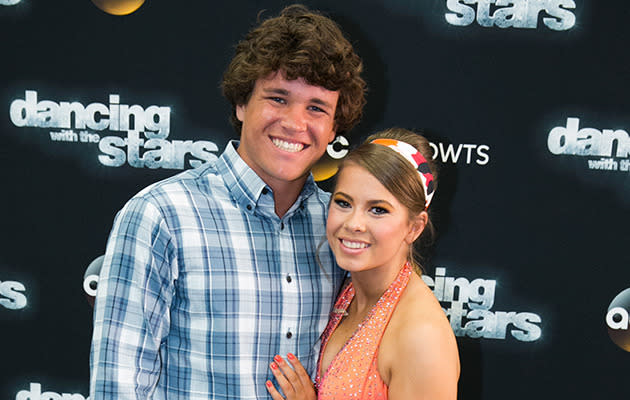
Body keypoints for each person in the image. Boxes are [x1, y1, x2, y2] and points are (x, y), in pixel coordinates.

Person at [89, 4, 366, 399]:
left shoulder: (340, 227)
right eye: (278, 98)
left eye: (316, 108)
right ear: (241, 103)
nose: (294, 123)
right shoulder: (161, 215)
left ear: (334, 126)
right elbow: (118, 387)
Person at [266, 128, 460, 399]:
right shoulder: (347, 290)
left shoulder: (421, 336)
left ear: (414, 228)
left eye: (378, 210)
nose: (353, 224)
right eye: (344, 203)